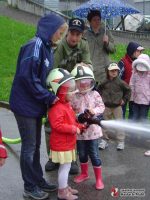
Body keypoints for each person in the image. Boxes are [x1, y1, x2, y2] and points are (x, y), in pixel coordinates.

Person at [9, 13, 68, 200]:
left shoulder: (47, 47)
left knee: (35, 146)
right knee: (29, 147)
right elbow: (28, 78)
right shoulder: (34, 45)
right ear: (50, 29)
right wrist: (49, 98)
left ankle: (38, 180)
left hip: (34, 105)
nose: (60, 36)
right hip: (24, 105)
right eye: (59, 32)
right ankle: (29, 187)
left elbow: (43, 77)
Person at [45, 17, 92, 173]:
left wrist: (83, 66)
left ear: (82, 35)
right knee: (52, 125)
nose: (75, 37)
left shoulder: (84, 44)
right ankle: (53, 157)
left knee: (73, 124)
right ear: (67, 33)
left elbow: (89, 65)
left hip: (75, 92)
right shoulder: (58, 46)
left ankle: (72, 159)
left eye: (78, 34)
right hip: (58, 90)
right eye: (72, 33)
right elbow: (52, 71)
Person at [46, 68, 85, 200]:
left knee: (66, 167)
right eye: (69, 90)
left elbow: (71, 121)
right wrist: (74, 129)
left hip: (67, 143)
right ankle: (62, 192)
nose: (73, 93)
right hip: (62, 144)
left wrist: (80, 126)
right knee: (64, 168)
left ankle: (65, 186)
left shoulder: (66, 105)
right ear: (60, 91)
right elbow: (57, 125)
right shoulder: (57, 108)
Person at [71, 64, 105, 190]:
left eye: (87, 82)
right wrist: (78, 116)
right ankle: (84, 174)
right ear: (76, 83)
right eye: (80, 82)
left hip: (93, 133)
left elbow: (101, 107)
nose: (84, 85)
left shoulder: (95, 94)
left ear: (91, 81)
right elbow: (69, 111)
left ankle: (99, 179)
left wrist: (94, 111)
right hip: (80, 133)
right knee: (82, 154)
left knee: (94, 155)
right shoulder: (74, 96)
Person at [98, 63, 131, 150]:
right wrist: (100, 98)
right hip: (106, 106)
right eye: (112, 71)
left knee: (119, 124)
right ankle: (104, 140)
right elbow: (98, 89)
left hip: (117, 107)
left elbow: (128, 91)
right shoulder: (104, 82)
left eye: (116, 70)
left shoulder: (120, 82)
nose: (114, 72)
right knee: (105, 123)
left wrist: (124, 99)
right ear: (107, 71)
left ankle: (120, 141)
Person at [84, 9, 116, 85]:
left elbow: (113, 50)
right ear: (89, 22)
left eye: (99, 19)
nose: (97, 22)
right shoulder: (85, 35)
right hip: (90, 71)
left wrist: (107, 43)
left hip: (104, 71)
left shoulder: (106, 32)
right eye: (94, 20)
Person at [118, 42, 144, 119]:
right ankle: (121, 128)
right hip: (124, 92)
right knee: (122, 110)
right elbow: (118, 77)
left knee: (133, 112)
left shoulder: (139, 63)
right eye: (138, 51)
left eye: (140, 51)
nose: (140, 53)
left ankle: (130, 128)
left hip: (134, 92)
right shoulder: (123, 62)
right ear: (132, 51)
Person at [130, 53, 150, 121]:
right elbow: (131, 85)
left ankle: (141, 131)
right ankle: (133, 131)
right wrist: (131, 98)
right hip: (136, 101)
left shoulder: (149, 76)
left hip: (145, 102)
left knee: (143, 118)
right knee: (134, 117)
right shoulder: (134, 74)